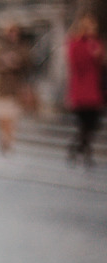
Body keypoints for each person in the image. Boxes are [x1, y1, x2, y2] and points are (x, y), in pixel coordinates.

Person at [65, 14, 105, 167]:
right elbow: (75, 64)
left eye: (93, 27)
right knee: (85, 124)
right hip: (81, 90)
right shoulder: (75, 43)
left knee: (91, 124)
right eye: (89, 27)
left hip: (94, 89)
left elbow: (101, 64)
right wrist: (91, 53)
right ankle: (85, 154)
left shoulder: (96, 43)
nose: (92, 30)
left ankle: (76, 149)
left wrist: (98, 54)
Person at [0, 23, 33, 154]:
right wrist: (5, 61)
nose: (12, 34)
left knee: (11, 117)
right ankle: (3, 136)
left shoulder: (22, 47)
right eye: (9, 31)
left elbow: (28, 63)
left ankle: (8, 141)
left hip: (16, 88)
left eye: (14, 31)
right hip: (0, 87)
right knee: (0, 116)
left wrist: (17, 61)